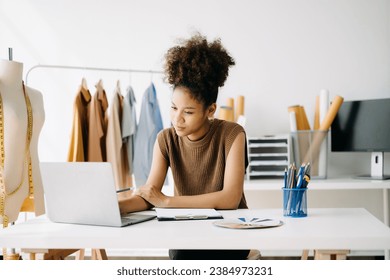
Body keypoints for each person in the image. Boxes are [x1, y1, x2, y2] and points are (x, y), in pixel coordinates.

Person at [119, 33, 249, 260]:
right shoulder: (165, 139)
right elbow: (150, 195)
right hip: (186, 233)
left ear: (210, 110)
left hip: (230, 233)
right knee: (181, 253)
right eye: (173, 108)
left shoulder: (232, 134)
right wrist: (117, 207)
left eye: (188, 112)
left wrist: (168, 202)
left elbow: (230, 199)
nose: (177, 119)